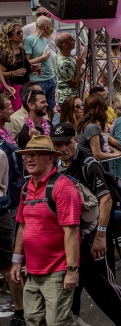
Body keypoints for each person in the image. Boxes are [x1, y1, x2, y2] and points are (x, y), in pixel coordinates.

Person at [51, 122, 121, 326]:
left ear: (74, 140)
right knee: (70, 298)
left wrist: (100, 236)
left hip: (91, 242)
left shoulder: (88, 164)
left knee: (107, 291)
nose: (62, 149)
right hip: (70, 244)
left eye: (66, 143)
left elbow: (105, 200)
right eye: (57, 145)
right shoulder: (55, 166)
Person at [10, 135, 81, 326]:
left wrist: (72, 270)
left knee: (58, 322)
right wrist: (17, 262)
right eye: (26, 156)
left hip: (57, 270)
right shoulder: (26, 187)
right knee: (33, 319)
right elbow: (22, 225)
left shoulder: (64, 188)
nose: (29, 159)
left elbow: (71, 232)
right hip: (33, 270)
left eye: (34, 155)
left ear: (50, 158)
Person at [0, 94, 24, 326]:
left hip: (3, 212)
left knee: (9, 267)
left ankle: (21, 311)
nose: (12, 109)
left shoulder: (2, 150)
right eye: (8, 107)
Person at [23, 16, 56, 120]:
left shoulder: (45, 40)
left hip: (50, 78)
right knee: (39, 107)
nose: (52, 29)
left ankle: (49, 125)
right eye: (50, 26)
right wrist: (41, 58)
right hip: (38, 80)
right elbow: (26, 61)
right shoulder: (29, 40)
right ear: (45, 26)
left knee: (50, 106)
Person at [77, 93, 121, 161]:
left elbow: (102, 146)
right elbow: (97, 154)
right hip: (91, 166)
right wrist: (114, 155)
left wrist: (118, 152)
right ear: (99, 110)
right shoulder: (91, 127)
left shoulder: (86, 123)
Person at [0, 22, 32, 112]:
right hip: (13, 89)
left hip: (25, 86)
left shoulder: (21, 50)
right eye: (18, 33)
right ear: (9, 37)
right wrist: (13, 73)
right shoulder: (5, 54)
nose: (21, 34)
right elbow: (1, 73)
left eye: (21, 31)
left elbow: (24, 70)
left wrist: (32, 68)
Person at [53, 32, 84, 110]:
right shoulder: (64, 63)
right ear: (65, 45)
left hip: (70, 97)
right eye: (71, 40)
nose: (74, 40)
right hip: (68, 99)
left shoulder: (61, 55)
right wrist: (77, 67)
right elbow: (74, 84)